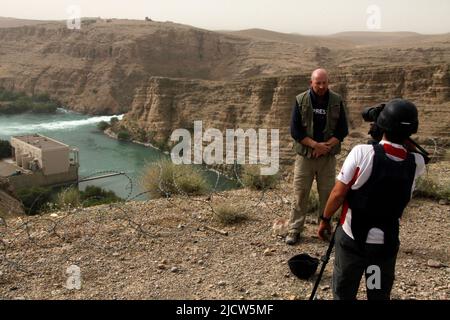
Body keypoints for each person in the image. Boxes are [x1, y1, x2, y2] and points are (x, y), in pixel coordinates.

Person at [317, 99, 426, 300]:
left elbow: (338, 194)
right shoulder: (417, 163)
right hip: (383, 247)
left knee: (344, 291)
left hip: (352, 241)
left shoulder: (362, 152)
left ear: (381, 125)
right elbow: (403, 155)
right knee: (375, 292)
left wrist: (325, 219)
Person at [286, 68, 348, 245]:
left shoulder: (336, 100)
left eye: (324, 82)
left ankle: (325, 228)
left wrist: (325, 147)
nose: (321, 86)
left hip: (326, 158)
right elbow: (295, 131)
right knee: (300, 193)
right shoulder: (301, 100)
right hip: (306, 156)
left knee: (327, 194)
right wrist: (315, 145)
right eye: (318, 83)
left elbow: (342, 130)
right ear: (311, 82)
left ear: (328, 82)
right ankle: (295, 229)